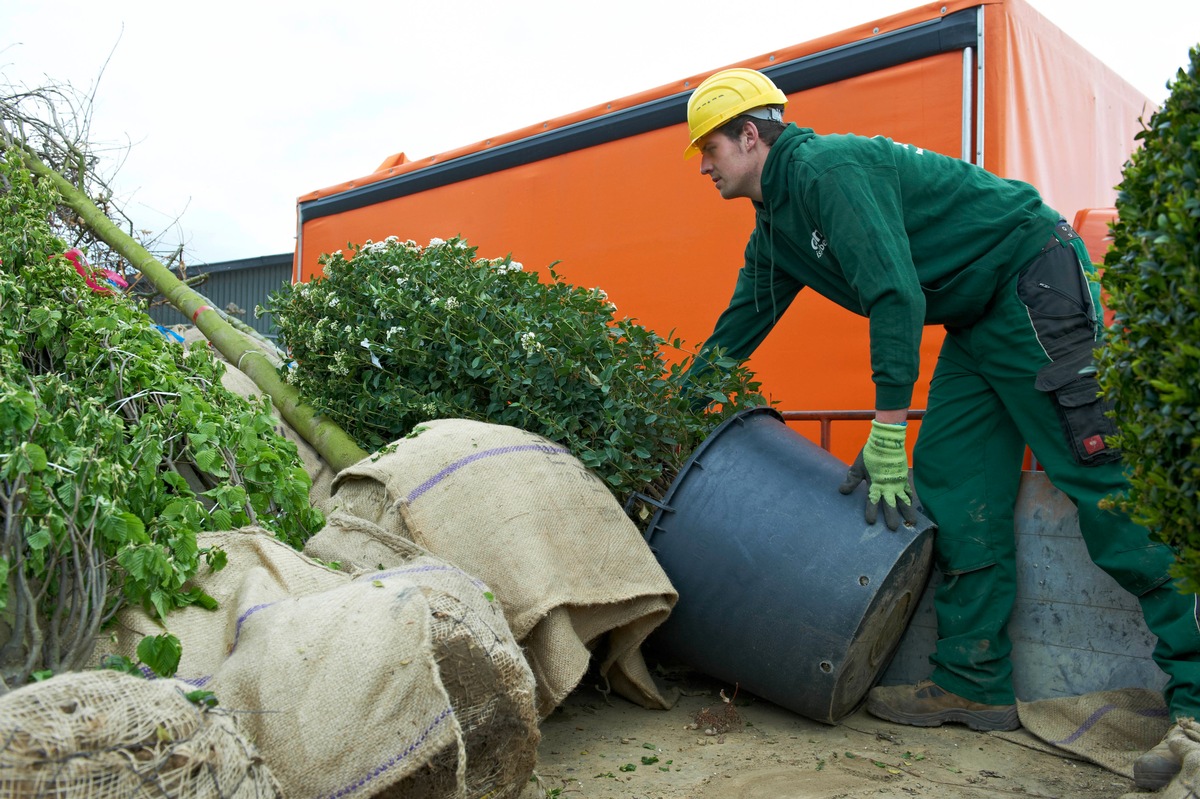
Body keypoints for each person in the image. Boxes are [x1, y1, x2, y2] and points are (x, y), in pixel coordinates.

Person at [681, 66, 1200, 791]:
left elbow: (895, 293)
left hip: (1031, 278)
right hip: (977, 315)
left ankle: (1199, 705)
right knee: (955, 482)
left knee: (1104, 484)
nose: (702, 165)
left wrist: (885, 427)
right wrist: (675, 405)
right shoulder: (778, 229)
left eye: (710, 147)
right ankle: (973, 680)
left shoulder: (829, 169)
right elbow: (740, 325)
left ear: (750, 134)